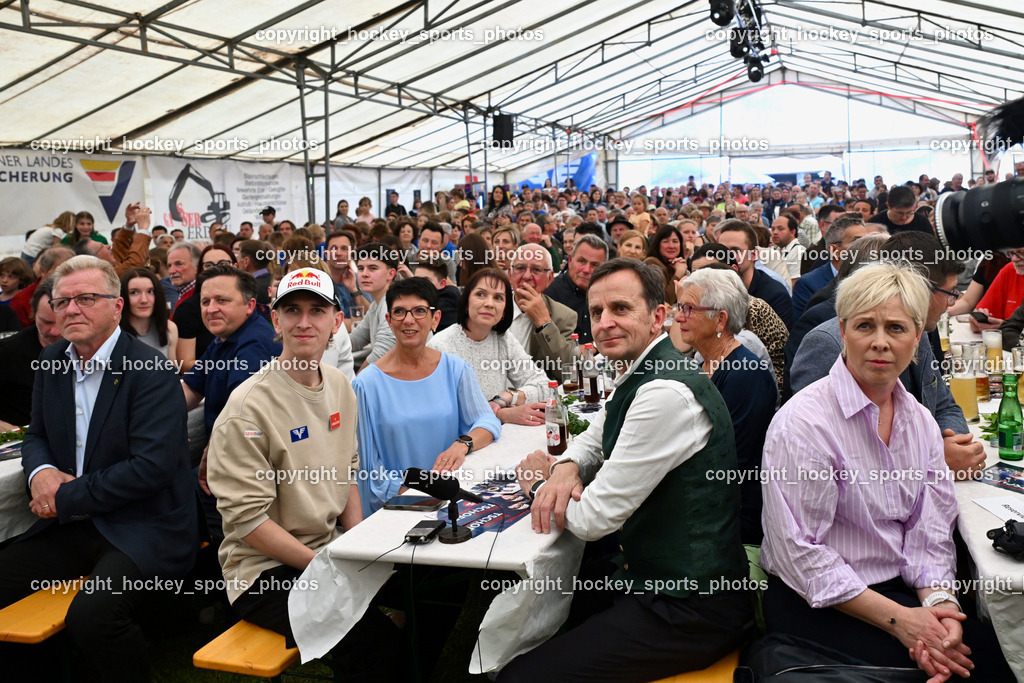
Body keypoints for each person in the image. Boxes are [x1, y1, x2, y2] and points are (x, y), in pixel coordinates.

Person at [761, 262, 1014, 682]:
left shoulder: (918, 421)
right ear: (842, 331)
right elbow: (801, 554)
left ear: (918, 338)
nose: (880, 342)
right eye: (865, 326)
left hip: (896, 589)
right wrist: (903, 622)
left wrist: (940, 606)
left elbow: (929, 534)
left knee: (987, 660)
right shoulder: (804, 424)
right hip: (817, 601)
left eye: (895, 329)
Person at [503, 259, 751, 682]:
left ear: (658, 317)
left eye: (620, 308)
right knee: (569, 597)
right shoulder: (645, 369)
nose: (604, 323)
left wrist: (537, 485)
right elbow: (592, 437)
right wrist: (565, 469)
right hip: (662, 581)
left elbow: (592, 520)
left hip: (690, 608)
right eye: (597, 312)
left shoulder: (663, 393)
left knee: (519, 676)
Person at [0, 256, 195, 681]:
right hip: (76, 523)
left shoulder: (150, 370)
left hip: (144, 525)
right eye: (62, 300)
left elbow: (150, 469)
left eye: (86, 299)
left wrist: (63, 495)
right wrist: (41, 474)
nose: (71, 310)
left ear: (116, 307)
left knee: (94, 616)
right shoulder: (52, 361)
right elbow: (36, 437)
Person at [206, 268, 399, 679]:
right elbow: (249, 522)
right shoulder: (248, 408)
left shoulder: (338, 385)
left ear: (337, 322)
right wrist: (326, 567)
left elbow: (347, 470)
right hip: (264, 573)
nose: (304, 322)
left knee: (428, 593)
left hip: (328, 549)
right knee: (377, 646)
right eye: (292, 310)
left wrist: (358, 543)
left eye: (317, 310)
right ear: (276, 320)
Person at [791, 231, 984, 477]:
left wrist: (954, 444)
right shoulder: (826, 343)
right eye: (950, 293)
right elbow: (818, 448)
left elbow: (945, 407)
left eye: (896, 328)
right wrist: (934, 457)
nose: (951, 304)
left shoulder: (920, 331)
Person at [352, 277, 500, 515]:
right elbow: (367, 469)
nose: (409, 320)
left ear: (436, 319)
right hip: (399, 506)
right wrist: (417, 494)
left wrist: (462, 445)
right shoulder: (366, 385)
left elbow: (487, 421)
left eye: (420, 311)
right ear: (388, 320)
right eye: (399, 312)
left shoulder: (456, 370)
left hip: (454, 500)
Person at [674, 268, 777, 544]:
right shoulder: (701, 361)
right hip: (701, 504)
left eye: (688, 308)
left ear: (720, 319)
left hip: (731, 522)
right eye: (679, 306)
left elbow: (727, 464)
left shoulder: (745, 374)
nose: (678, 316)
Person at [429, 268, 549, 425]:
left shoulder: (503, 339)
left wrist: (507, 396)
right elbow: (442, 414)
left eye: (498, 298)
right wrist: (502, 415)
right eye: (480, 294)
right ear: (466, 303)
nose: (489, 304)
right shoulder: (440, 346)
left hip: (497, 437)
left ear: (505, 311)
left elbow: (544, 385)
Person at [507, 244, 578, 381]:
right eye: (520, 268)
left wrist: (544, 323)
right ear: (510, 274)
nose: (527, 276)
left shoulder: (563, 316)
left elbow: (567, 374)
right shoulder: (492, 308)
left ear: (550, 278)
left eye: (536, 269)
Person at [0, 280, 62, 431]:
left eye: (61, 323)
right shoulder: (8, 351)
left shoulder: (89, 348)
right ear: (33, 314)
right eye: (46, 322)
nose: (54, 331)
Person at [716, 220, 793, 329]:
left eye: (736, 250)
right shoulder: (711, 287)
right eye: (722, 251)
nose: (727, 256)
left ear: (754, 255)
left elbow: (778, 343)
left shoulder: (775, 295)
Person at [173, 244, 233, 372]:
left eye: (223, 264)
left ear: (236, 266)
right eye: (209, 265)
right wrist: (229, 366)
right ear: (200, 271)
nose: (217, 270)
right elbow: (184, 364)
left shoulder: (249, 302)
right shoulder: (188, 309)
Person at [546, 232, 608, 344]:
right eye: (581, 261)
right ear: (570, 261)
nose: (586, 270)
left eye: (594, 265)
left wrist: (594, 346)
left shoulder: (609, 294)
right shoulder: (549, 293)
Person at [350, 242, 398, 371]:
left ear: (391, 274)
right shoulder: (376, 304)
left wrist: (353, 385)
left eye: (372, 268)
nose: (364, 274)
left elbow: (382, 354)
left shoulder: (393, 301)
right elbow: (356, 339)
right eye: (360, 268)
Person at [120, 267, 178, 362]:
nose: (144, 300)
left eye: (151, 292)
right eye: (134, 292)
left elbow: (173, 371)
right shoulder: (112, 333)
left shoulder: (169, 329)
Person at [413, 256, 459, 332]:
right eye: (415, 280)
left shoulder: (447, 301)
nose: (418, 284)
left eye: (425, 280)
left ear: (442, 283)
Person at [644, 225, 687, 304]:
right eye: (666, 241)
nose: (671, 246)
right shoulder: (651, 263)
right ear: (658, 245)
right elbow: (665, 300)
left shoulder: (676, 264)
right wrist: (679, 273)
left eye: (675, 241)